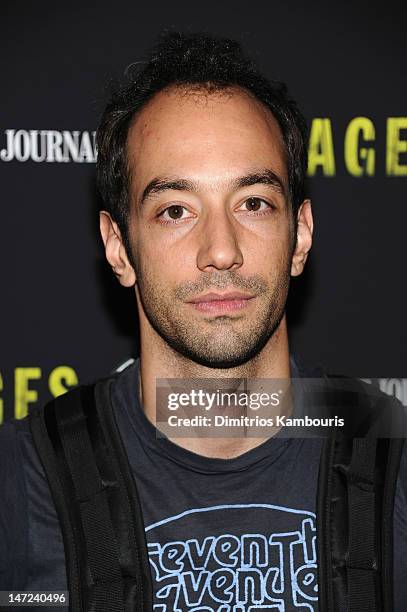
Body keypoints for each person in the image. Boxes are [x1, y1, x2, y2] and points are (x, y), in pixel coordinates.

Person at [1, 31, 406, 612]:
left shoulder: (394, 459)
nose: (221, 250)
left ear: (302, 235)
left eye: (253, 203)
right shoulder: (22, 480)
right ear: (118, 248)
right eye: (174, 211)